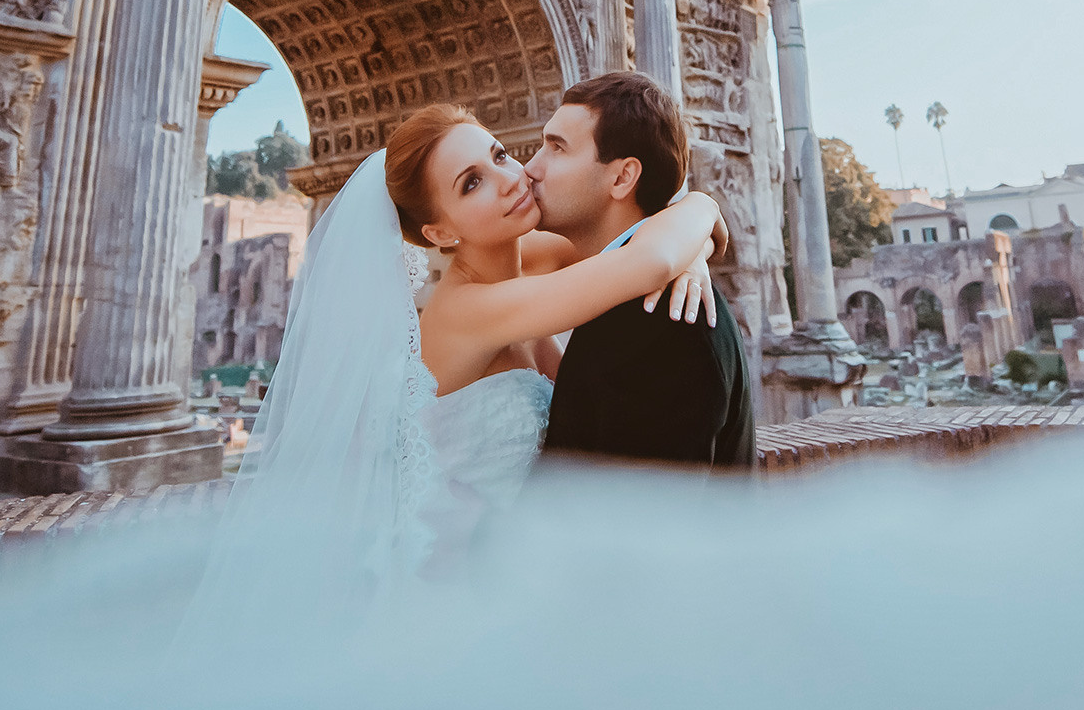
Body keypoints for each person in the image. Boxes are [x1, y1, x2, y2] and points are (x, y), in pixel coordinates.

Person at [187, 100, 722, 628]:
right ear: (440, 234)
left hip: (533, 572)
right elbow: (648, 259)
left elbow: (632, 236)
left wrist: (688, 242)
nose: (511, 178)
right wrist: (701, 207)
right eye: (471, 183)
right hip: (460, 588)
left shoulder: (535, 256)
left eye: (499, 155)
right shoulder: (467, 311)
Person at [527, 71, 755, 471]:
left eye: (556, 148)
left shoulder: (667, 322)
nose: (530, 168)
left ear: (622, 177)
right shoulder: (630, 293)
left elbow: (644, 523)